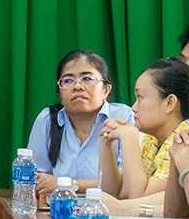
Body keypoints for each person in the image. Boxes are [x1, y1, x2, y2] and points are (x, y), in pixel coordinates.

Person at [27, 50, 133, 195]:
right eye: (67, 81)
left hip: (111, 207)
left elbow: (129, 181)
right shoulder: (47, 119)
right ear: (60, 94)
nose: (77, 86)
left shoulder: (123, 118)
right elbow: (36, 179)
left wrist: (67, 184)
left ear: (106, 90)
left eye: (87, 79)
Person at [99, 58, 189, 205]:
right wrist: (107, 142)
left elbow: (139, 198)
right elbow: (116, 192)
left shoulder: (183, 141)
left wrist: (129, 136)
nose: (133, 108)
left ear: (169, 103)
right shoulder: (151, 140)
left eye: (140, 97)